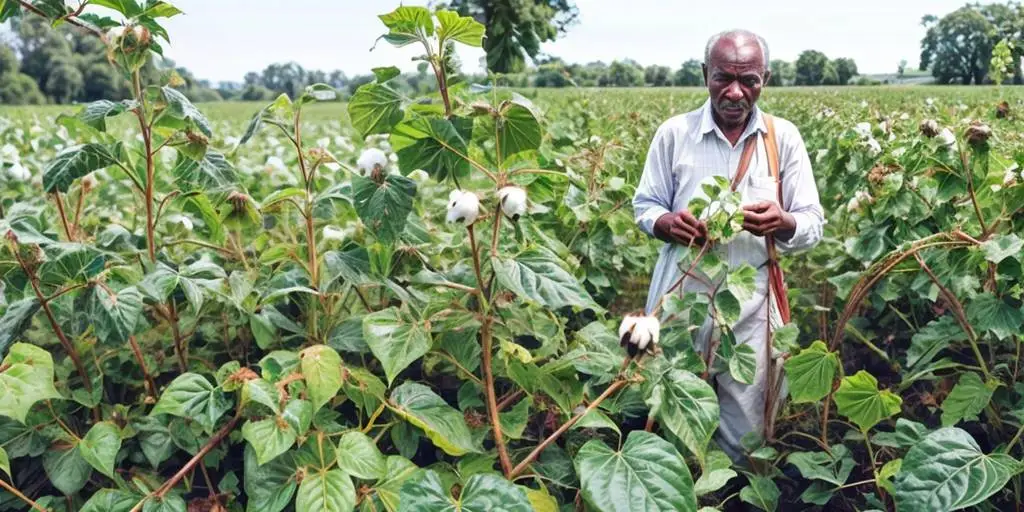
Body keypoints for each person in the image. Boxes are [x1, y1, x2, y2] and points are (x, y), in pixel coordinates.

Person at [632, 29, 825, 461]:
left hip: (752, 307)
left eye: (749, 80)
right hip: (681, 298)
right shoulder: (674, 134)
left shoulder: (783, 139)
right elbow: (644, 205)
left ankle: (734, 497)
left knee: (746, 433)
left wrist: (784, 222)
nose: (735, 92)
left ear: (765, 80)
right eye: (723, 78)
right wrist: (665, 222)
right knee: (675, 413)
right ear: (705, 75)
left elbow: (813, 222)